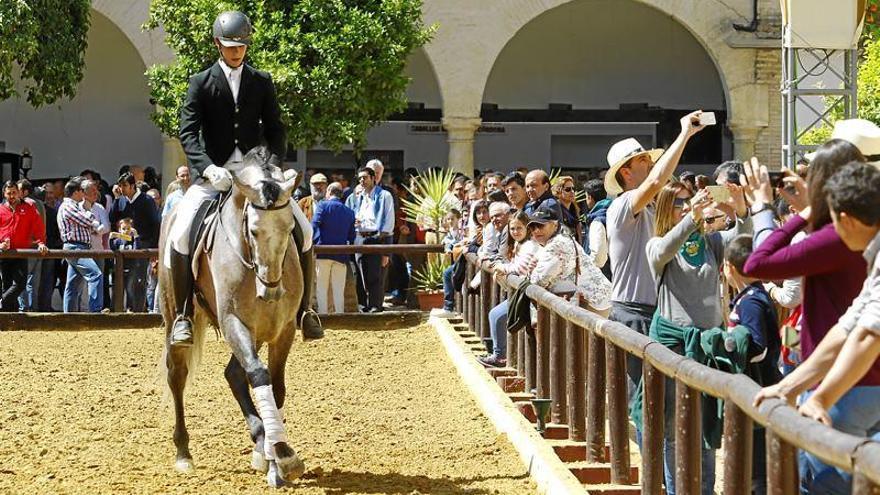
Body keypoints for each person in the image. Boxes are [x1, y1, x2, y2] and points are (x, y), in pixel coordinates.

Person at [170, 10, 322, 344]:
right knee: (181, 234)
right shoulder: (200, 82)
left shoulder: (261, 80)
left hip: (257, 176)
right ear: (217, 45)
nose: (236, 52)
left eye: (240, 46)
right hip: (214, 175)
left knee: (305, 230)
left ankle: (306, 312)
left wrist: (275, 165)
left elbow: (275, 128)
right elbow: (188, 132)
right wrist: (207, 166)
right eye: (229, 46)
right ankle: (182, 314)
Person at [755, 162, 880, 495]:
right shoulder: (873, 251)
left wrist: (821, 397)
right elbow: (849, 325)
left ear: (847, 219)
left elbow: (869, 335)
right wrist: (791, 386)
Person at [643, 179, 749, 495]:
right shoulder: (657, 244)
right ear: (666, 209)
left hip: (708, 346)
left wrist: (740, 208)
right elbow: (664, 248)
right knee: (674, 428)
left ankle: (704, 490)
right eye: (680, 203)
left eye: (690, 201)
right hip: (673, 346)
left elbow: (741, 239)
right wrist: (693, 218)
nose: (688, 207)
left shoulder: (710, 242)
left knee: (707, 426)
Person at [604, 110, 706, 394]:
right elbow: (656, 182)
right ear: (625, 172)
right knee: (645, 400)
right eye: (643, 160)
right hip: (634, 313)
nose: (650, 163)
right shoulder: (622, 206)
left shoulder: (653, 206)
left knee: (663, 399)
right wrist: (684, 133)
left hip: (659, 312)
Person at [723, 234, 781, 495]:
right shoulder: (749, 296)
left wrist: (729, 344)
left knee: (757, 462)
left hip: (760, 384)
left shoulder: (752, 302)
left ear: (729, 268)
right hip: (754, 385)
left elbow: (758, 345)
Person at [479, 210, 538, 367]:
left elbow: (520, 268)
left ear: (527, 228)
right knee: (496, 315)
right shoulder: (518, 245)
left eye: (519, 228)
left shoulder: (530, 245)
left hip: (530, 294)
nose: (515, 232)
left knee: (496, 315)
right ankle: (500, 354)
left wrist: (502, 268)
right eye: (512, 228)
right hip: (522, 291)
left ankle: (500, 356)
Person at [527, 203, 610, 315]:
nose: (536, 231)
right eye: (532, 227)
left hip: (592, 302)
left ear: (555, 225)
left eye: (540, 226)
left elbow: (538, 280)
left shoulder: (557, 245)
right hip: (598, 299)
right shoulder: (561, 238)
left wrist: (531, 271)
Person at [345, 166, 394, 312]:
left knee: (375, 274)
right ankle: (362, 304)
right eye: (359, 178)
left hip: (375, 237)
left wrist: (385, 246)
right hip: (359, 237)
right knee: (359, 274)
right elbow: (349, 215)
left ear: (373, 178)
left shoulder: (384, 196)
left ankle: (375, 305)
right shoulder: (356, 197)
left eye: (365, 177)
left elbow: (389, 222)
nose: (362, 181)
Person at [109, 172, 159, 312]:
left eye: (124, 185)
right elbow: (113, 217)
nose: (122, 188)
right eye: (120, 186)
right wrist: (116, 199)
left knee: (138, 279)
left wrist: (154, 248)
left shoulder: (146, 200)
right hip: (124, 244)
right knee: (122, 278)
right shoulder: (122, 200)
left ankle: (137, 310)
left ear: (132, 186)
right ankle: (122, 308)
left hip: (142, 244)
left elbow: (155, 224)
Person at [57, 178, 106, 313]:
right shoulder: (68, 206)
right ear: (76, 192)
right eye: (81, 191)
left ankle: (69, 316)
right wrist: (90, 214)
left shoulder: (72, 205)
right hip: (75, 248)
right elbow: (86, 220)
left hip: (78, 247)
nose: (83, 194)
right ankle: (95, 311)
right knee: (95, 275)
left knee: (72, 285)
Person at [0, 181, 48, 312]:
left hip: (21, 252)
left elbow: (38, 227)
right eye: (9, 193)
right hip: (4, 253)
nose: (12, 196)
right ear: (4, 194)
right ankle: (9, 318)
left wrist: (41, 242)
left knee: (20, 284)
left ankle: (2, 302)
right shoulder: (0, 210)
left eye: (14, 193)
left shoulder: (28, 207)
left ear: (19, 193)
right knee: (7, 285)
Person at [312, 182, 355, 314]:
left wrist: (313, 243)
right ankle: (339, 315)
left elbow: (314, 226)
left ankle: (323, 315)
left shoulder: (322, 206)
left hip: (323, 252)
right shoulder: (349, 212)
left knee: (322, 288)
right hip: (341, 254)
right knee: (338, 288)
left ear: (329, 192)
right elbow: (352, 236)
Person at [82, 179, 111, 310]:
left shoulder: (99, 207)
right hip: (83, 249)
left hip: (98, 248)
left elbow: (107, 226)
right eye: (92, 191)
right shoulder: (78, 207)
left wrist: (97, 230)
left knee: (99, 278)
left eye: (96, 190)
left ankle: (97, 308)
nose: (96, 193)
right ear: (84, 193)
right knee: (82, 282)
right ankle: (83, 308)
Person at [16, 179, 46, 311]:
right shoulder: (40, 203)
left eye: (18, 190)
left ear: (25, 191)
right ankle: (33, 309)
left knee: (21, 279)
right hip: (39, 246)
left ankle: (24, 308)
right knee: (34, 281)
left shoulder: (27, 204)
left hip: (27, 247)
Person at [583, 178, 611, 279]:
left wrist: (587, 271)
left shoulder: (597, 221)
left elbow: (598, 258)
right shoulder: (612, 213)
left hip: (601, 276)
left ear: (590, 198)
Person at [551, 175, 581, 240]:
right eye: (568, 189)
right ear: (558, 191)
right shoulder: (554, 208)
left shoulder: (574, 209)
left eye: (573, 189)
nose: (572, 192)